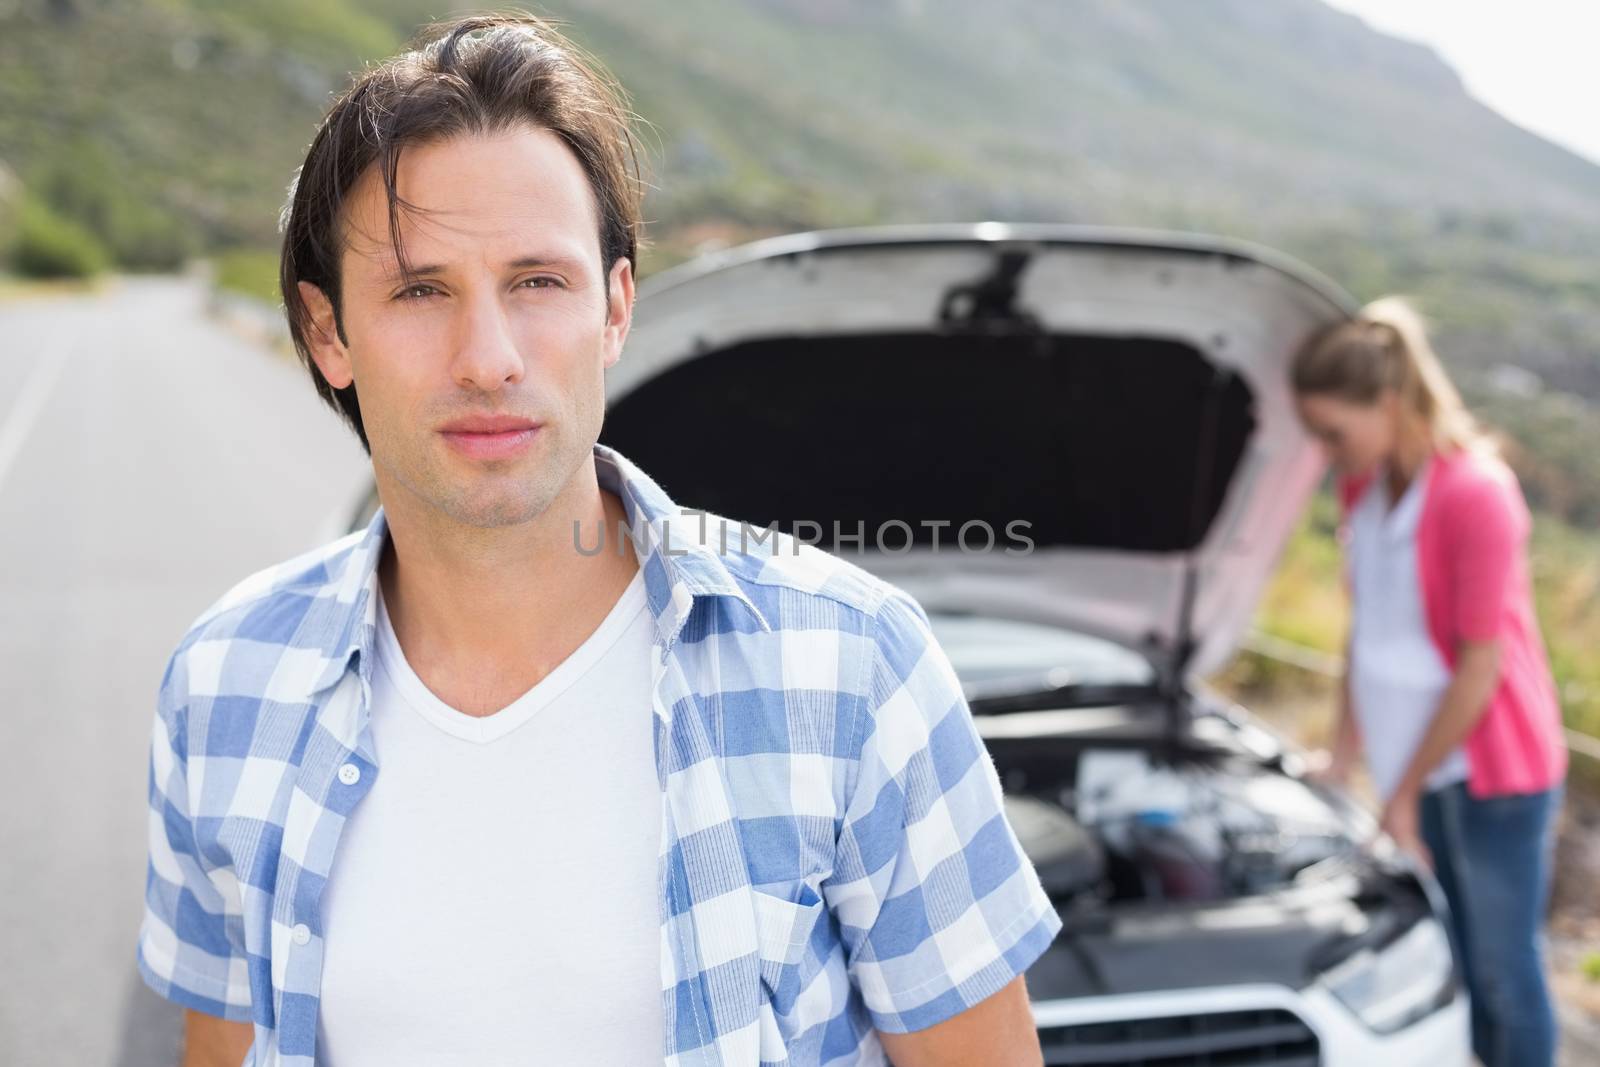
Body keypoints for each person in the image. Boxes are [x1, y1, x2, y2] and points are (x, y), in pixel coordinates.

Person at [134, 13, 1062, 1067]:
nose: (487, 358)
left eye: (539, 282)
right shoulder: (224, 684)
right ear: (326, 331)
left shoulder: (853, 667)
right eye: (420, 289)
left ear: (616, 306)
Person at [1290, 296, 1568, 1067]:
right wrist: (1343, 757)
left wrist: (1403, 791)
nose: (1324, 448)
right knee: (1451, 955)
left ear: (1387, 402)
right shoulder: (1363, 486)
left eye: (1332, 431)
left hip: (1489, 782)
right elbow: (1367, 630)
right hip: (1422, 774)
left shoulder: (1476, 494)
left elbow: (1483, 664)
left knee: (1503, 973)